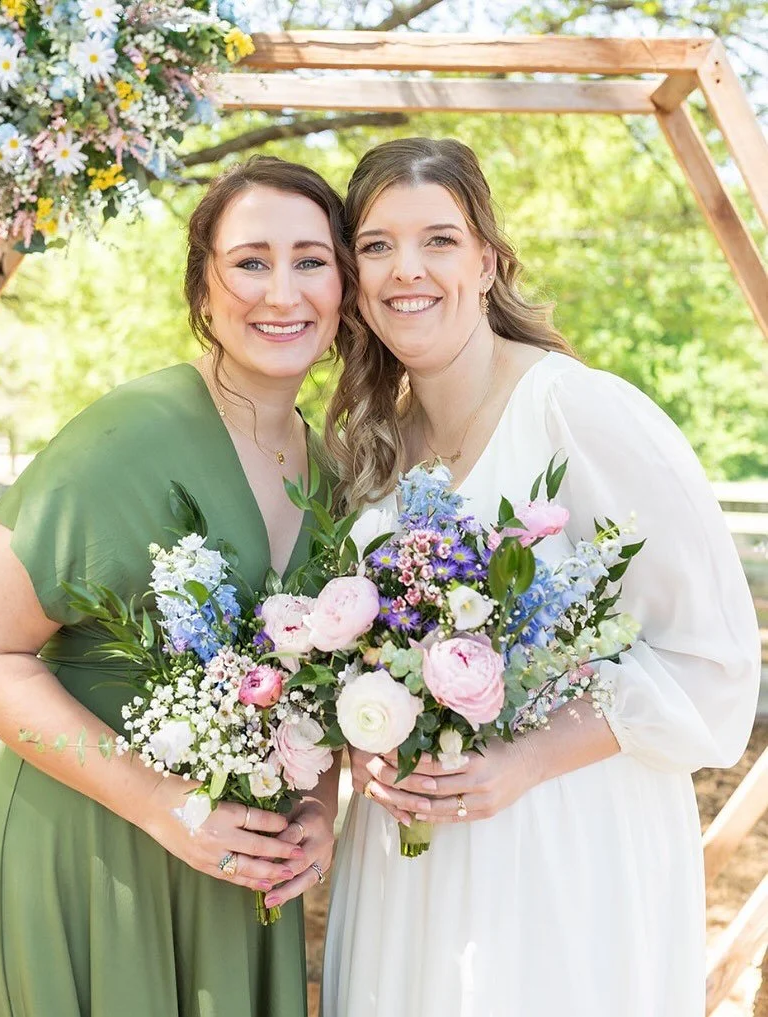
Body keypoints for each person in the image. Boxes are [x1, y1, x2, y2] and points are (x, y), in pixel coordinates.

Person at [321, 137, 762, 1017]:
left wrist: (523, 761)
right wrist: (364, 732)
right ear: (355, 277)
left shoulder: (579, 412)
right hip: (408, 850)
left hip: (562, 841)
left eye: (439, 239)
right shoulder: (369, 447)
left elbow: (711, 660)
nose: (407, 268)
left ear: (487, 260)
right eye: (376, 245)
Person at [0, 155, 353, 1017]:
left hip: (232, 875)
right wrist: (164, 804)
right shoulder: (127, 434)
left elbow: (317, 693)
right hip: (84, 851)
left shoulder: (334, 476)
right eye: (250, 261)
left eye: (310, 260)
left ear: (344, 289)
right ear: (203, 289)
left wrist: (319, 808)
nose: (281, 291)